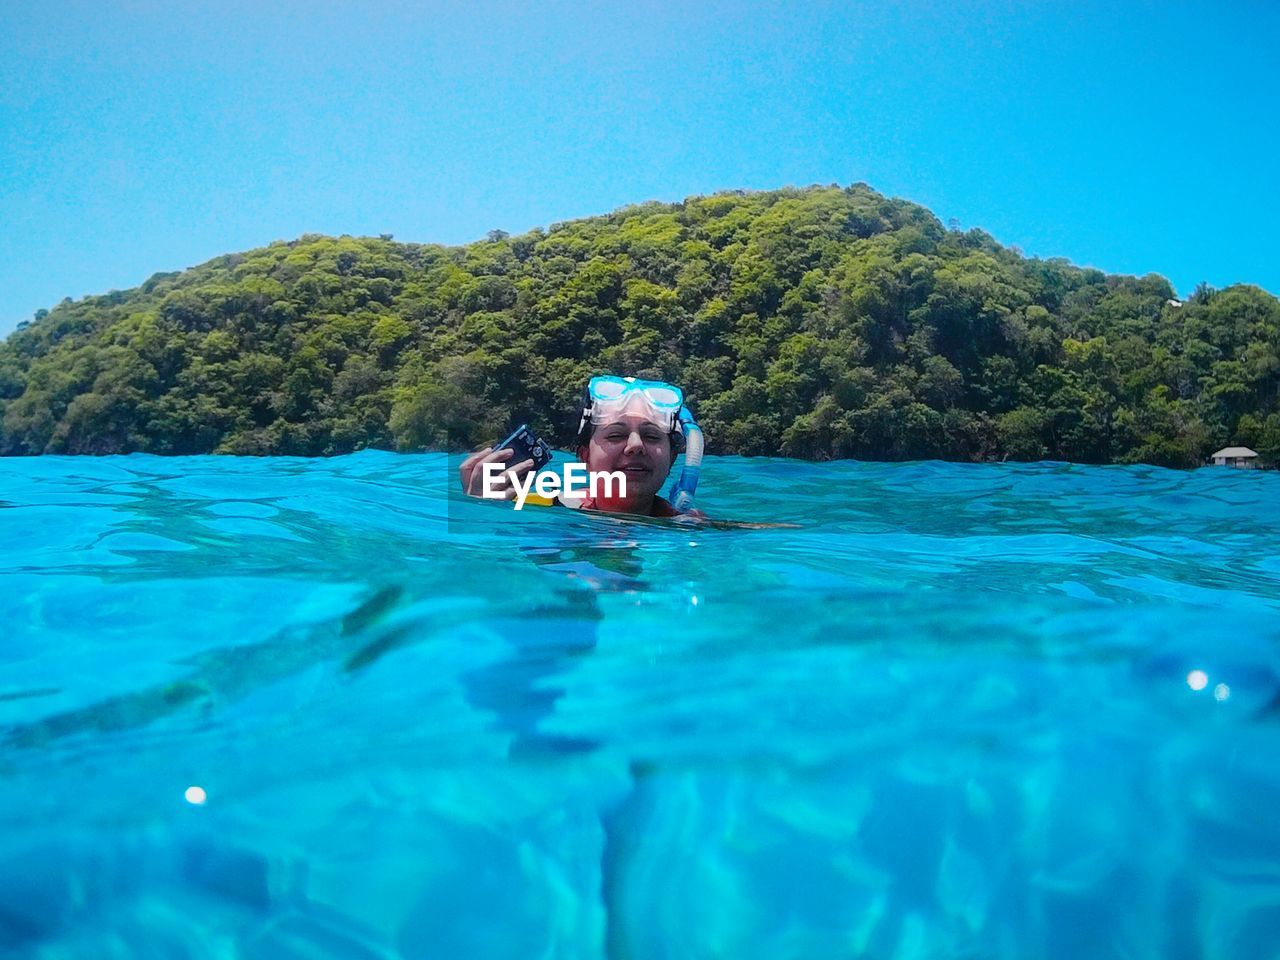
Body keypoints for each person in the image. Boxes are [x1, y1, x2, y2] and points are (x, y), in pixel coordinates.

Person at [458, 376, 705, 518]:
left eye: (651, 436)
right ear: (584, 457)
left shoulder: (687, 527)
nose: (635, 445)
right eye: (616, 435)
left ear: (672, 459)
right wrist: (482, 512)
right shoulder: (540, 510)